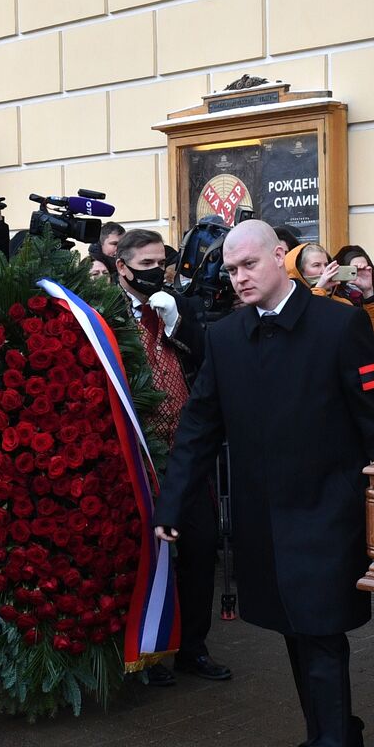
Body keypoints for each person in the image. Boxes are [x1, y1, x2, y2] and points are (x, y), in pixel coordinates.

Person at [154, 219, 374, 747]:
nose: (239, 277)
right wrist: (173, 502)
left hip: (328, 512)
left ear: (280, 259)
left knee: (319, 630)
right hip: (264, 518)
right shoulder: (227, 336)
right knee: (298, 630)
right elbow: (199, 426)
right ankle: (342, 734)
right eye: (231, 269)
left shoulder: (340, 325)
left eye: (250, 265)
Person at [114, 228, 230, 685]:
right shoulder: (105, 314)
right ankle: (146, 653)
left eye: (160, 264)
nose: (155, 273)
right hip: (136, 453)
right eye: (144, 266)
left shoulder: (181, 304)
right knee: (145, 554)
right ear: (121, 267)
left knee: (200, 548)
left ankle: (193, 648)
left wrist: (180, 324)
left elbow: (207, 360)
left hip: (185, 450)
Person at [284, 242, 374, 336]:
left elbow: (372, 331)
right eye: (316, 265)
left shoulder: (343, 303)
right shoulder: (287, 302)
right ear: (300, 271)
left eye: (326, 264)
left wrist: (368, 291)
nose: (324, 270)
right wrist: (319, 289)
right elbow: (306, 328)